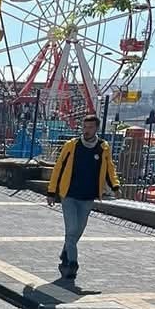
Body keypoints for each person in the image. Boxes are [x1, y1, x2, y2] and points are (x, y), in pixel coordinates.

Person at [47, 114, 120, 283]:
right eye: (85, 127)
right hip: (69, 195)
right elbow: (58, 168)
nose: (86, 130)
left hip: (87, 197)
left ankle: (66, 252)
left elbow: (109, 169)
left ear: (96, 129)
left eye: (90, 127)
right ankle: (72, 264)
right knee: (72, 229)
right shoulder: (71, 145)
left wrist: (115, 186)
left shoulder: (103, 147)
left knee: (78, 231)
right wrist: (51, 192)